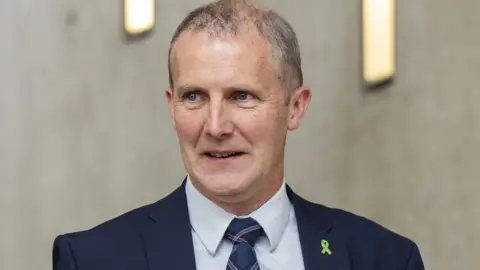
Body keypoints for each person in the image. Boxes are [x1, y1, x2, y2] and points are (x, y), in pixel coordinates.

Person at [53, 0, 425, 269]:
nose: (215, 127)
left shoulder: (384, 258)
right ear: (171, 106)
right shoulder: (92, 260)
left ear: (295, 107)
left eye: (241, 96)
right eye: (194, 97)